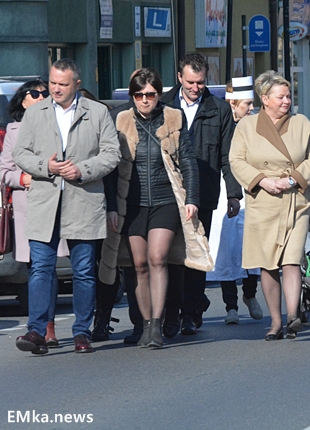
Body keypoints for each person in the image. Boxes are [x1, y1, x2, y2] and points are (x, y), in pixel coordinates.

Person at [13, 59, 120, 354]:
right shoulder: (35, 113)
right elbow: (19, 152)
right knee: (40, 269)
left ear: (77, 84)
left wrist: (83, 170)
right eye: (52, 83)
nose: (55, 89)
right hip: (45, 200)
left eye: (62, 84)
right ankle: (36, 330)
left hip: (83, 200)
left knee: (83, 270)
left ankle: (81, 332)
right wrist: (44, 165)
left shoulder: (97, 112)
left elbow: (112, 154)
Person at [103, 68, 202, 348]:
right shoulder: (121, 120)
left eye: (150, 94)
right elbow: (110, 169)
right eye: (139, 95)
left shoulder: (173, 118)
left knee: (158, 258)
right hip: (132, 203)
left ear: (159, 94)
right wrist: (112, 206)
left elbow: (188, 162)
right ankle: (145, 324)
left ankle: (157, 324)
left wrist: (192, 198)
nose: (144, 100)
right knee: (138, 264)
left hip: (165, 200)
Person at [229, 71, 310, 340]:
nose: (286, 101)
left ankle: (293, 315)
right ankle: (275, 321)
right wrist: (261, 181)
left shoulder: (302, 123)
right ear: (265, 99)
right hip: (263, 201)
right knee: (267, 263)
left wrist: (294, 179)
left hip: (296, 201)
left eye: (289, 96)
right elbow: (237, 160)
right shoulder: (246, 127)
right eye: (280, 97)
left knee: (291, 259)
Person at [161, 53, 243, 337]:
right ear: (180, 78)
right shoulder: (164, 105)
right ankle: (170, 313)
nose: (196, 88)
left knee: (196, 256)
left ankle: (191, 315)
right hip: (167, 193)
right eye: (191, 82)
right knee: (172, 256)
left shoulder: (218, 109)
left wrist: (233, 194)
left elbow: (227, 156)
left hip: (204, 192)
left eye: (201, 82)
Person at [0, 80, 64, 347]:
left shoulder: (59, 125)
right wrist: (24, 179)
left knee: (48, 269)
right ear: (22, 100)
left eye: (44, 93)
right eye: (34, 93)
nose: (41, 97)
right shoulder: (14, 131)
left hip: (55, 202)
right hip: (28, 207)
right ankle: (39, 326)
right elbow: (5, 172)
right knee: (37, 268)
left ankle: (47, 326)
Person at [208, 76, 263, 325]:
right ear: (233, 103)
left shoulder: (256, 126)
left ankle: (250, 295)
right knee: (227, 250)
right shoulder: (220, 124)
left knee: (251, 246)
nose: (251, 108)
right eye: (247, 104)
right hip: (223, 192)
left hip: (252, 190)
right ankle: (231, 305)